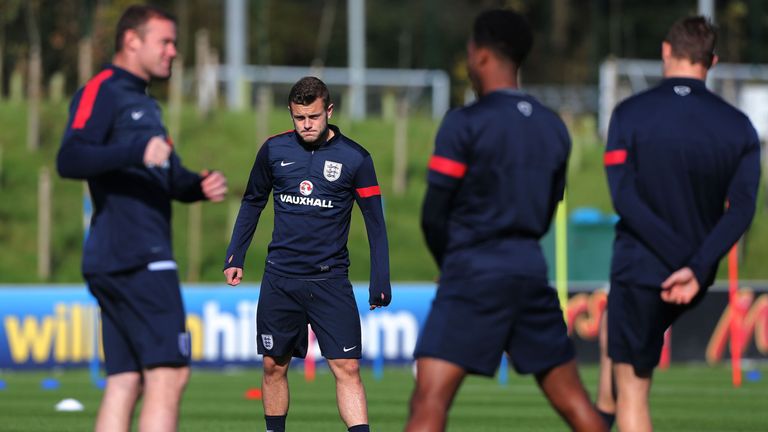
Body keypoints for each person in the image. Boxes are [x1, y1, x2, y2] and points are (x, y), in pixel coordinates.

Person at [405, 9, 607, 432]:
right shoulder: (554, 127)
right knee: (577, 407)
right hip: (530, 271)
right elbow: (549, 208)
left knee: (429, 403)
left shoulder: (465, 123)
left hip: (473, 272)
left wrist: (454, 264)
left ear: (480, 56)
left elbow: (432, 215)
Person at [57, 5, 228, 431]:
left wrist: (196, 185)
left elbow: (166, 176)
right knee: (169, 374)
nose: (173, 51)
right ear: (132, 41)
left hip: (124, 258)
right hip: (136, 256)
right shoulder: (103, 90)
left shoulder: (145, 105)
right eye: (165, 42)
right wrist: (135, 151)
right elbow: (70, 157)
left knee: (126, 380)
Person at [600, 16, 761, 431]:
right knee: (610, 332)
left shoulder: (629, 114)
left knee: (633, 388)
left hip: (643, 267)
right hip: (693, 276)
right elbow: (742, 209)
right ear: (713, 61)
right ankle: (600, 412)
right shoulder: (739, 127)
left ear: (666, 52)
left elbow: (625, 199)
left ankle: (604, 410)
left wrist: (678, 260)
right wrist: (696, 264)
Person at [223, 76, 391, 432]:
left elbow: (375, 222)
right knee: (273, 365)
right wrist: (235, 255)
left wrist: (380, 279)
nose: (307, 125)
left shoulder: (356, 158)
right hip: (280, 278)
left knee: (347, 368)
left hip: (329, 280)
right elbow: (253, 201)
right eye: (299, 118)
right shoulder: (273, 150)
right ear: (291, 113)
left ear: (329, 111)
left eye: (314, 117)